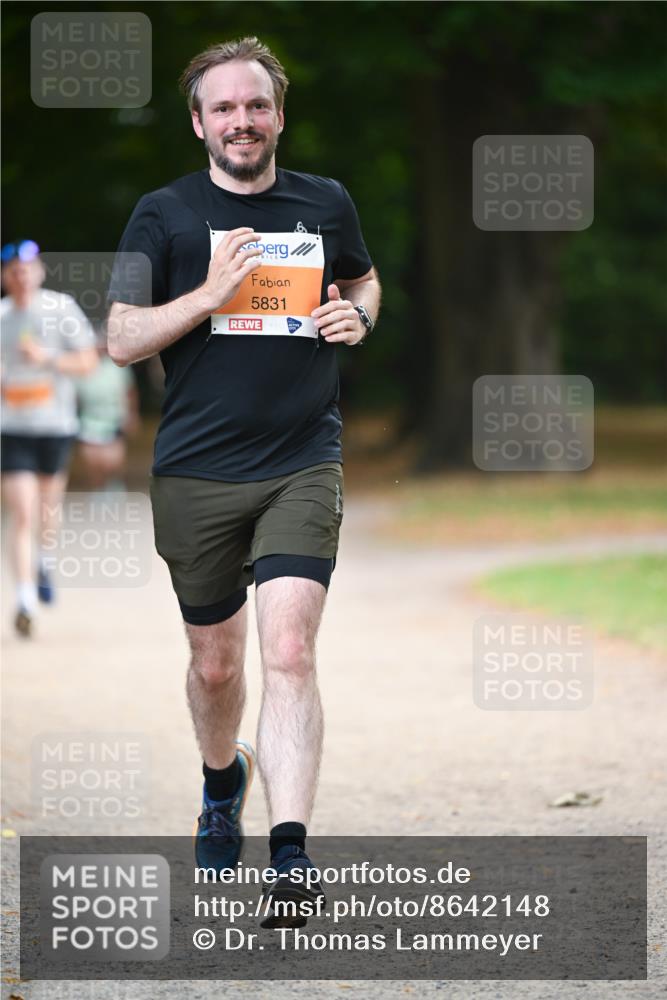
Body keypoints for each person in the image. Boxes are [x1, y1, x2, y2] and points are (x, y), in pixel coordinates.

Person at [107, 36, 381, 922]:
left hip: (303, 458)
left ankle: (291, 855)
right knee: (216, 665)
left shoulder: (323, 201)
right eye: (223, 108)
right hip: (196, 469)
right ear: (198, 123)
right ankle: (220, 780)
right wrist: (207, 296)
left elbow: (364, 281)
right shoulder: (165, 214)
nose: (241, 120)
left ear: (278, 115)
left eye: (255, 105)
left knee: (290, 651)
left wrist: (354, 316)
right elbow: (119, 338)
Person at [1, 240, 97, 637]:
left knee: (46, 512)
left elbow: (88, 362)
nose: (21, 278)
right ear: (6, 277)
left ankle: (45, 557)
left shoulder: (62, 309)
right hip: (12, 429)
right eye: (13, 272)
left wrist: (48, 359)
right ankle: (24, 599)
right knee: (23, 513)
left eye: (28, 270)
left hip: (55, 426)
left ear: (39, 272)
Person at [76, 332, 140, 491]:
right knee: (92, 461)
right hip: (89, 421)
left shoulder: (117, 368)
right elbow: (75, 396)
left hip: (114, 419)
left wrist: (132, 415)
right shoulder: (83, 366)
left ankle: (114, 487)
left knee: (113, 460)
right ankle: (97, 488)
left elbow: (130, 392)